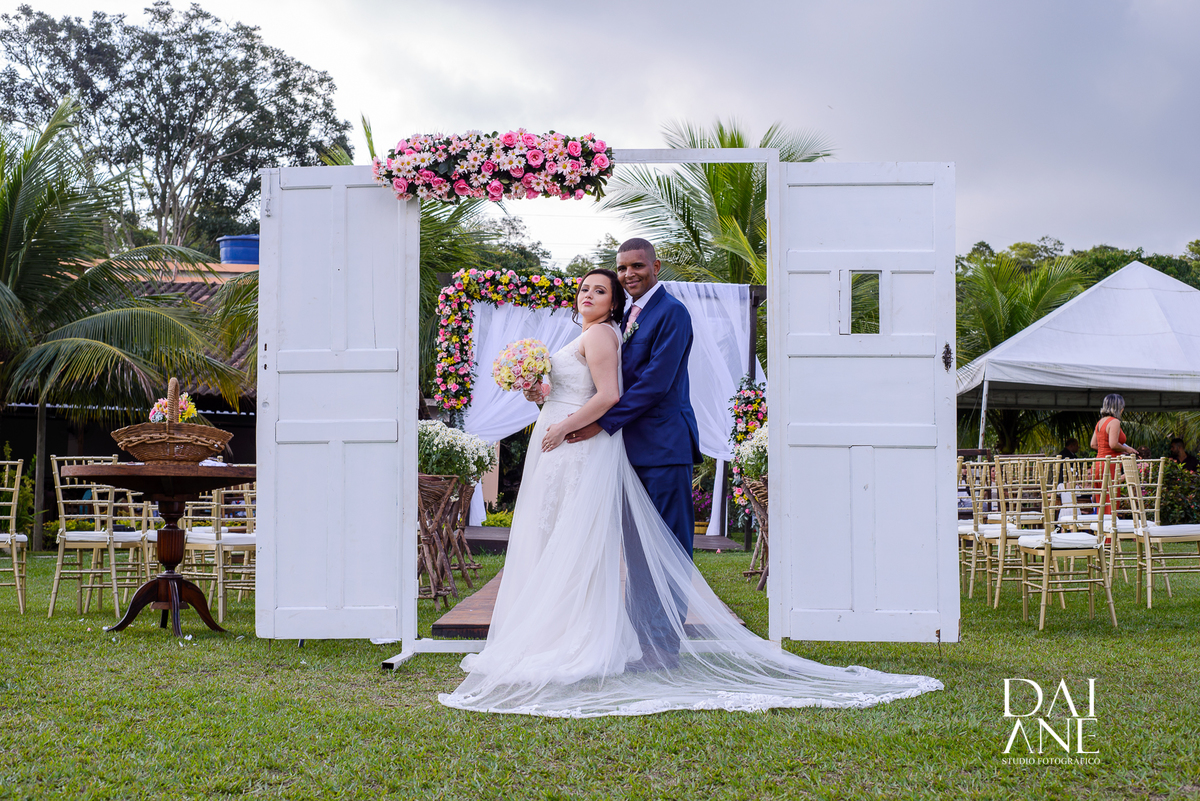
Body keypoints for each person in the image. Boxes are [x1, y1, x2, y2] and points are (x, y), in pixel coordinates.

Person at [438, 264, 941, 717]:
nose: (624, 277)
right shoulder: (621, 321)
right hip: (609, 445)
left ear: (652, 269)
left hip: (654, 444)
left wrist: (590, 426)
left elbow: (649, 384)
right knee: (614, 546)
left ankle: (661, 647)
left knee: (666, 543)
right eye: (616, 272)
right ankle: (632, 639)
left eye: (629, 271)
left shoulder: (668, 314)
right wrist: (541, 392)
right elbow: (599, 384)